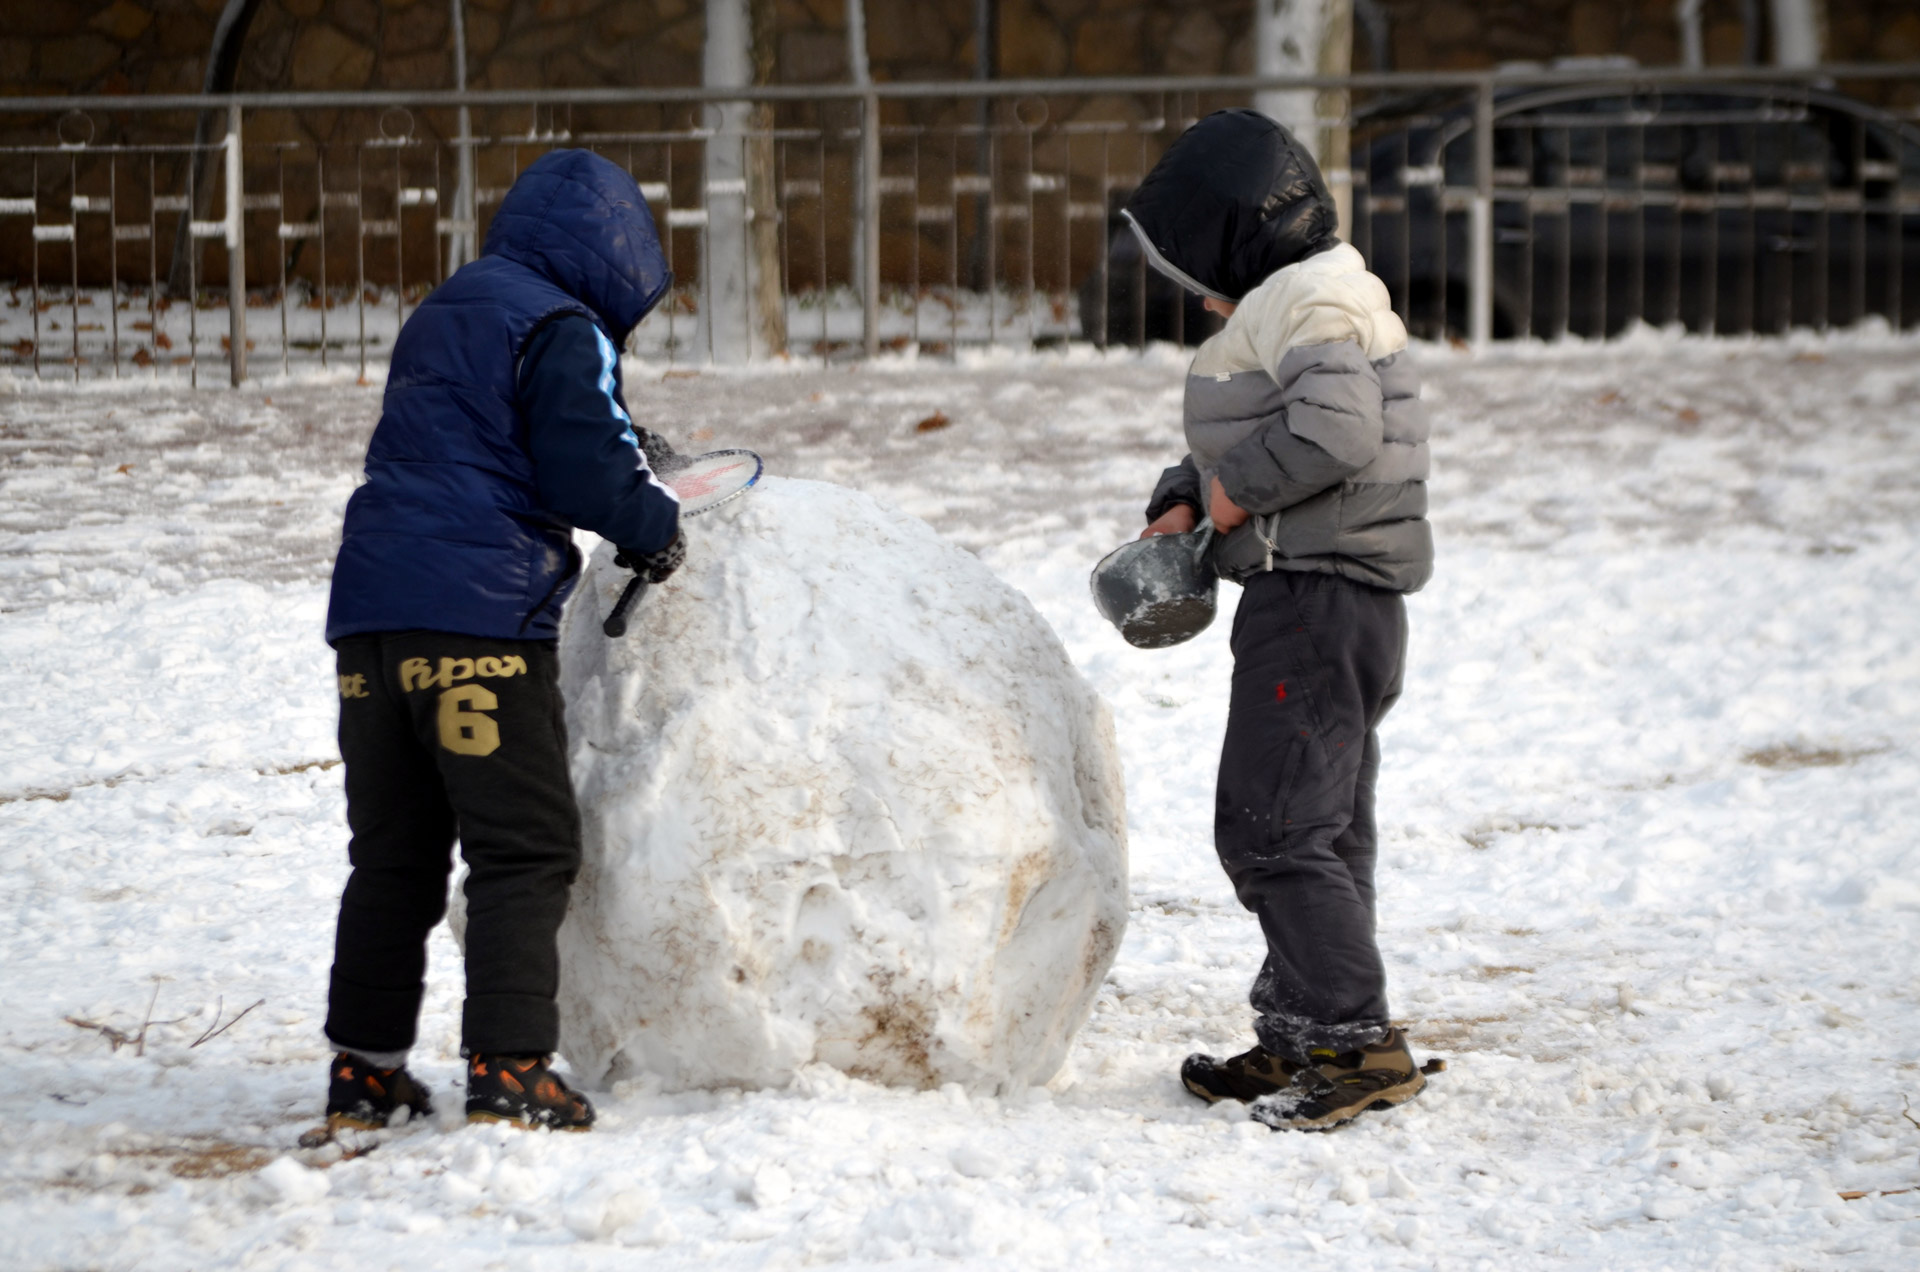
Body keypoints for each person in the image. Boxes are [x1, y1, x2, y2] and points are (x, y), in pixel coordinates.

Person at [317, 149, 687, 1134]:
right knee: (524, 848)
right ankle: (513, 1069)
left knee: (392, 859)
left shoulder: (447, 308)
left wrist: (620, 446)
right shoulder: (562, 323)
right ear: (616, 255)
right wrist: (653, 522)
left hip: (370, 626)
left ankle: (363, 1073)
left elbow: (481, 434)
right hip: (480, 623)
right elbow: (584, 468)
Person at [1125, 110, 1434, 1131]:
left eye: (1195, 271)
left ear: (1236, 241)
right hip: (1334, 599)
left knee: (1270, 829)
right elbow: (1272, 423)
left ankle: (1351, 1039)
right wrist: (1186, 491)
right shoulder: (1311, 294)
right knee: (1321, 829)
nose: (1197, 298)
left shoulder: (1312, 300)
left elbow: (1335, 430)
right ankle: (1308, 1027)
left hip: (1315, 597)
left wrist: (1230, 497)